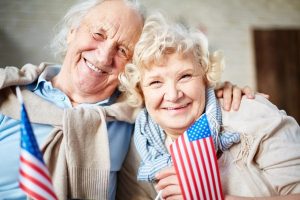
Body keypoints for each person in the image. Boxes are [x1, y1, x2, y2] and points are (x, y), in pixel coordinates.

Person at [0, 0, 254, 199]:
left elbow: (178, 95)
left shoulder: (137, 115)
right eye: (98, 34)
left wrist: (217, 93)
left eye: (122, 50)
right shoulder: (8, 96)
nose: (103, 57)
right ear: (72, 32)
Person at [118, 13, 300, 200]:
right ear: (140, 91)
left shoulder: (252, 114)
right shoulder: (140, 149)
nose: (173, 95)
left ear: (205, 78)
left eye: (185, 76)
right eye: (156, 82)